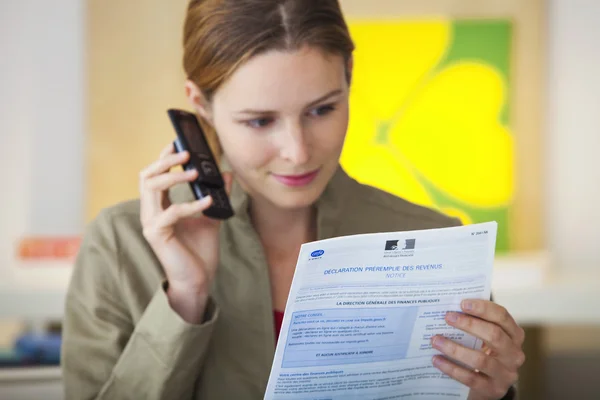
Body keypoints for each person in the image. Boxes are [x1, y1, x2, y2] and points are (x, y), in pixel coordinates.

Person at [61, 1, 524, 399]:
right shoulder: (119, 245)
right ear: (199, 104)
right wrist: (184, 298)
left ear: (349, 77)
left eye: (322, 110)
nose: (298, 152)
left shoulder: (433, 240)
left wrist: (492, 392)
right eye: (260, 121)